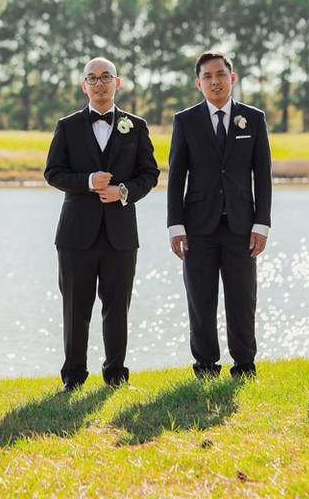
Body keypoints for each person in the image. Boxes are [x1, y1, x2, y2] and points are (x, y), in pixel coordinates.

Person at [44, 57, 159, 391]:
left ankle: (116, 375)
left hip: (120, 235)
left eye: (105, 77)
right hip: (75, 236)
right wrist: (88, 181)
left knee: (117, 308)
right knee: (75, 310)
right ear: (84, 86)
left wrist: (124, 191)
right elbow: (53, 173)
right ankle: (74, 377)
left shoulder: (135, 126)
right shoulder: (67, 126)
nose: (99, 83)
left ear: (117, 83)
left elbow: (150, 173)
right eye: (91, 78)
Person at [167, 51, 271, 379]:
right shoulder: (185, 121)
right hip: (198, 228)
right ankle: (206, 366)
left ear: (232, 77)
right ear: (198, 83)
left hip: (242, 226)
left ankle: (244, 365)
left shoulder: (253, 119)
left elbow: (263, 176)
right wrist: (175, 226)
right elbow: (176, 175)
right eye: (208, 76)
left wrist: (262, 224)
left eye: (220, 74)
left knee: (242, 300)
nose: (215, 81)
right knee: (201, 300)